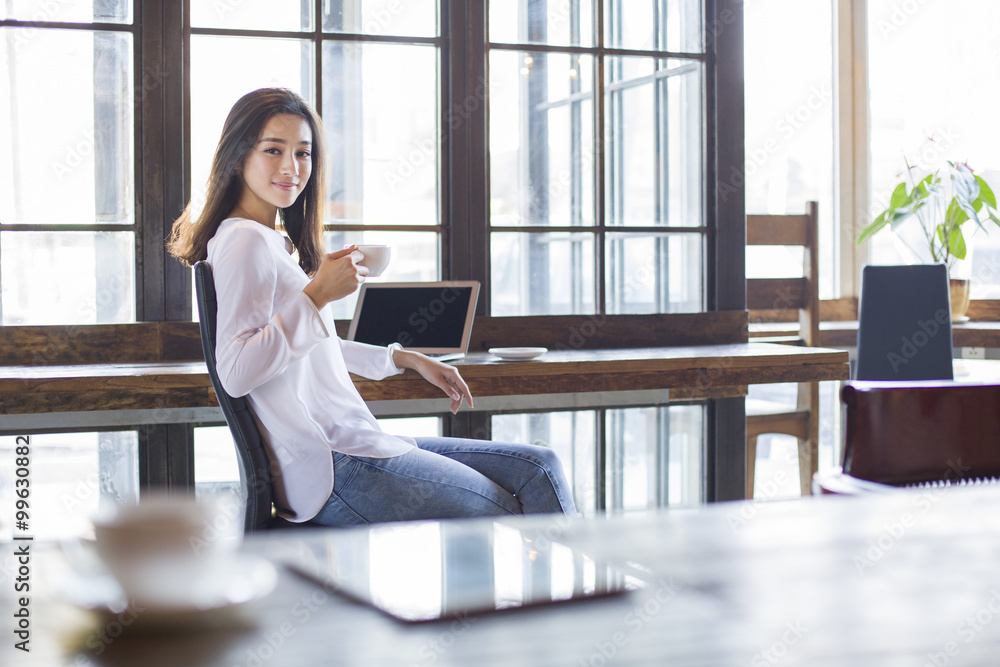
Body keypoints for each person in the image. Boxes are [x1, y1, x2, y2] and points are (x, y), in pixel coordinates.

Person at [167, 87, 576, 526]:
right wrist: (318, 294)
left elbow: (310, 348)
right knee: (516, 511)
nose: (291, 167)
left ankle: (571, 591)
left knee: (539, 467)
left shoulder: (268, 241)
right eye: (273, 150)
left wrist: (401, 358)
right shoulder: (244, 240)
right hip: (336, 464)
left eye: (303, 153)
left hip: (356, 443)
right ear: (236, 156)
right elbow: (237, 371)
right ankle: (575, 592)